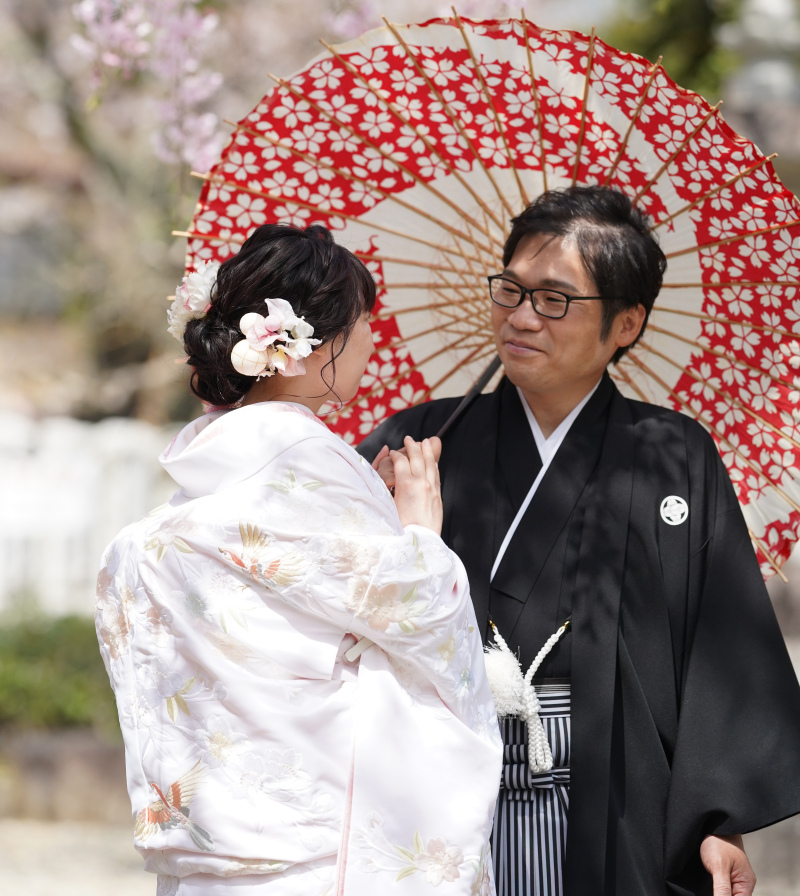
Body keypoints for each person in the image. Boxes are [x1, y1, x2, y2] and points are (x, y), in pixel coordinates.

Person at [359, 185, 800, 896]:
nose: (521, 317)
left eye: (555, 299)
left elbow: (718, 642)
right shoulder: (421, 444)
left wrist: (721, 819)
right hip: (443, 787)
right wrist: (393, 524)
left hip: (619, 787)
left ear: (626, 324)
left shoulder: (673, 454)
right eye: (511, 289)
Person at [95, 223, 502, 896]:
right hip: (313, 849)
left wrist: (368, 496)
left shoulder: (203, 469)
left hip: (210, 844)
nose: (374, 338)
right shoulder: (309, 463)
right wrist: (420, 529)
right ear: (319, 345)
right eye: (366, 321)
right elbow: (422, 612)